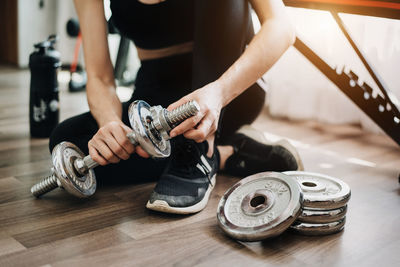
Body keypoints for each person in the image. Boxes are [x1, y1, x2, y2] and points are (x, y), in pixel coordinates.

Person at [50, 0, 303, 214]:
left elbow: (281, 27)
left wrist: (218, 92)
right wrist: (110, 125)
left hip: (227, 88)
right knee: (70, 143)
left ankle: (201, 148)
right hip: (157, 93)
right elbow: (100, 77)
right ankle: (228, 154)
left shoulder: (222, 89)